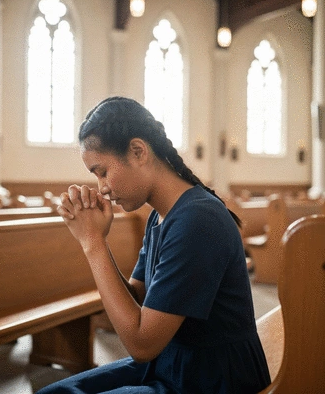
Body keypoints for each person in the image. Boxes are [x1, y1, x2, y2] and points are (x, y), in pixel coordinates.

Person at [36, 97, 271, 394]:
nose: (102, 188)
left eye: (103, 171)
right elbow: (137, 297)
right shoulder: (161, 216)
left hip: (213, 377)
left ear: (138, 151)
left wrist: (92, 243)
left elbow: (141, 344)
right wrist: (98, 241)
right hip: (173, 361)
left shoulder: (198, 219)